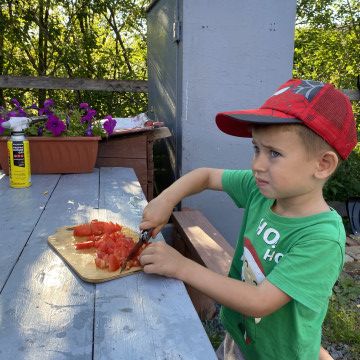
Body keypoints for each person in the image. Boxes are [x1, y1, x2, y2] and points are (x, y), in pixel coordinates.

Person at [138, 78, 358, 360]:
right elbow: (205, 175)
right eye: (256, 149)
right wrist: (164, 201)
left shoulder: (322, 237)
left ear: (323, 164)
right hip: (240, 339)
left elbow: (259, 301)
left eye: (274, 153)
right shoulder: (261, 191)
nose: (257, 164)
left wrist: (180, 267)